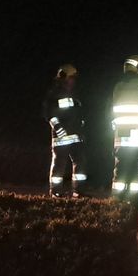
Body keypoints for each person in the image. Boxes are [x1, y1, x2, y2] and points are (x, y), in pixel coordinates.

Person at [110, 54, 138, 199]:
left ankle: (116, 198)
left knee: (120, 168)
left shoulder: (118, 86)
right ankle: (133, 199)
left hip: (121, 135)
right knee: (136, 168)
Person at [42, 63, 87, 197]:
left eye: (74, 78)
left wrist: (82, 129)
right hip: (61, 137)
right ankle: (55, 191)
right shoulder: (54, 94)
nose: (73, 80)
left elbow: (80, 113)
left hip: (76, 136)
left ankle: (78, 191)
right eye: (71, 77)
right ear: (64, 77)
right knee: (59, 165)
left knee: (80, 163)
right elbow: (48, 113)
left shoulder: (75, 94)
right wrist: (57, 127)